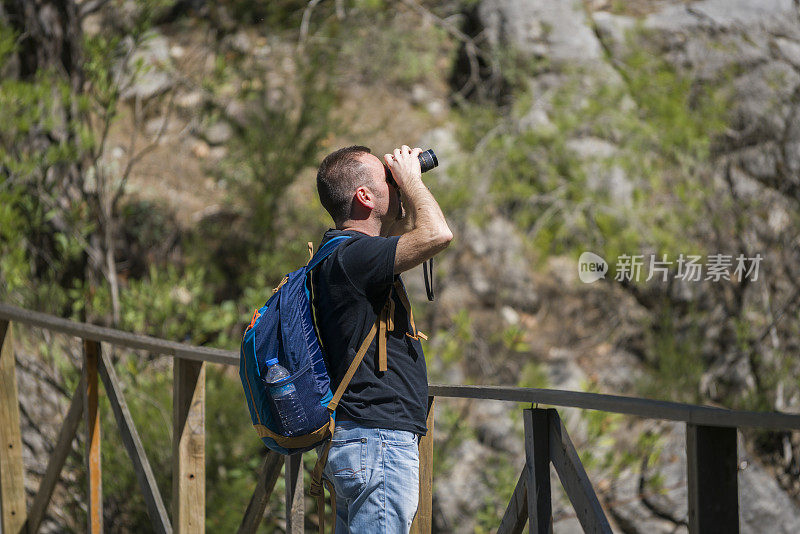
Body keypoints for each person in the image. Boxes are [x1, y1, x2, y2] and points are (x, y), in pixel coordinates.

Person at [311, 144, 452, 533]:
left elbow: (409, 230)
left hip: (360, 440)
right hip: (378, 444)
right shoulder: (356, 257)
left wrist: (404, 187)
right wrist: (410, 179)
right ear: (364, 196)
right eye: (385, 179)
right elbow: (436, 233)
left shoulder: (339, 255)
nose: (395, 180)